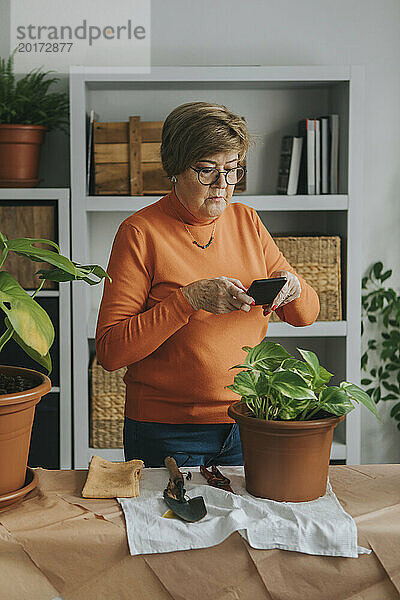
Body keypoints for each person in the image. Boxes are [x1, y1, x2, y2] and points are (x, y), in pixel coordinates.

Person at [95, 101, 320, 468]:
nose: (222, 185)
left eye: (232, 171)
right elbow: (110, 352)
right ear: (174, 169)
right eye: (206, 171)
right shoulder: (140, 233)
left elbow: (306, 315)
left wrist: (292, 286)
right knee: (170, 524)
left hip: (248, 421)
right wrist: (187, 300)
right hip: (166, 430)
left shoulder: (247, 221)